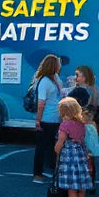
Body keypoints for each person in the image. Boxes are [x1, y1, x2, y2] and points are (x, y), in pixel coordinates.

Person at [54, 97, 93, 197]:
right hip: (80, 155)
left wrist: (56, 150)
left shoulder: (64, 125)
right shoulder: (81, 124)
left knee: (71, 188)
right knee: (81, 187)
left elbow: (60, 142)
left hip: (69, 157)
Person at [31, 55, 62, 183]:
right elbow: (41, 103)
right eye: (58, 64)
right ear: (53, 66)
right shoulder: (45, 81)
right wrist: (38, 120)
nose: (60, 66)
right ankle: (37, 174)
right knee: (41, 147)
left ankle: (49, 170)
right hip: (46, 119)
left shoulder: (53, 79)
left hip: (53, 118)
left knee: (50, 146)